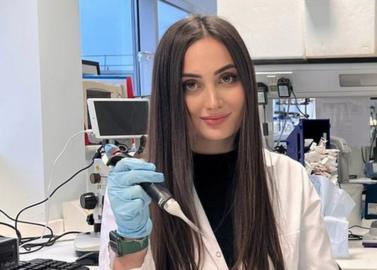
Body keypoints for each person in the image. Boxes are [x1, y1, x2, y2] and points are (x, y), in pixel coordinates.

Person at [99, 15, 338, 270]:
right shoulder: (138, 190)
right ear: (170, 95)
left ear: (246, 83)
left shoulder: (290, 178)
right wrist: (132, 243)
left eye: (227, 78)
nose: (213, 102)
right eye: (191, 84)